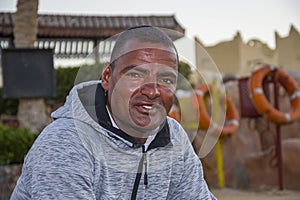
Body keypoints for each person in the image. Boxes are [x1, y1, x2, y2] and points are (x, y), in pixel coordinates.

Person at [11, 26, 216, 199]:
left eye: (167, 80)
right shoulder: (66, 142)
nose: (152, 91)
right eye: (136, 74)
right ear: (108, 77)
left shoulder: (173, 137)